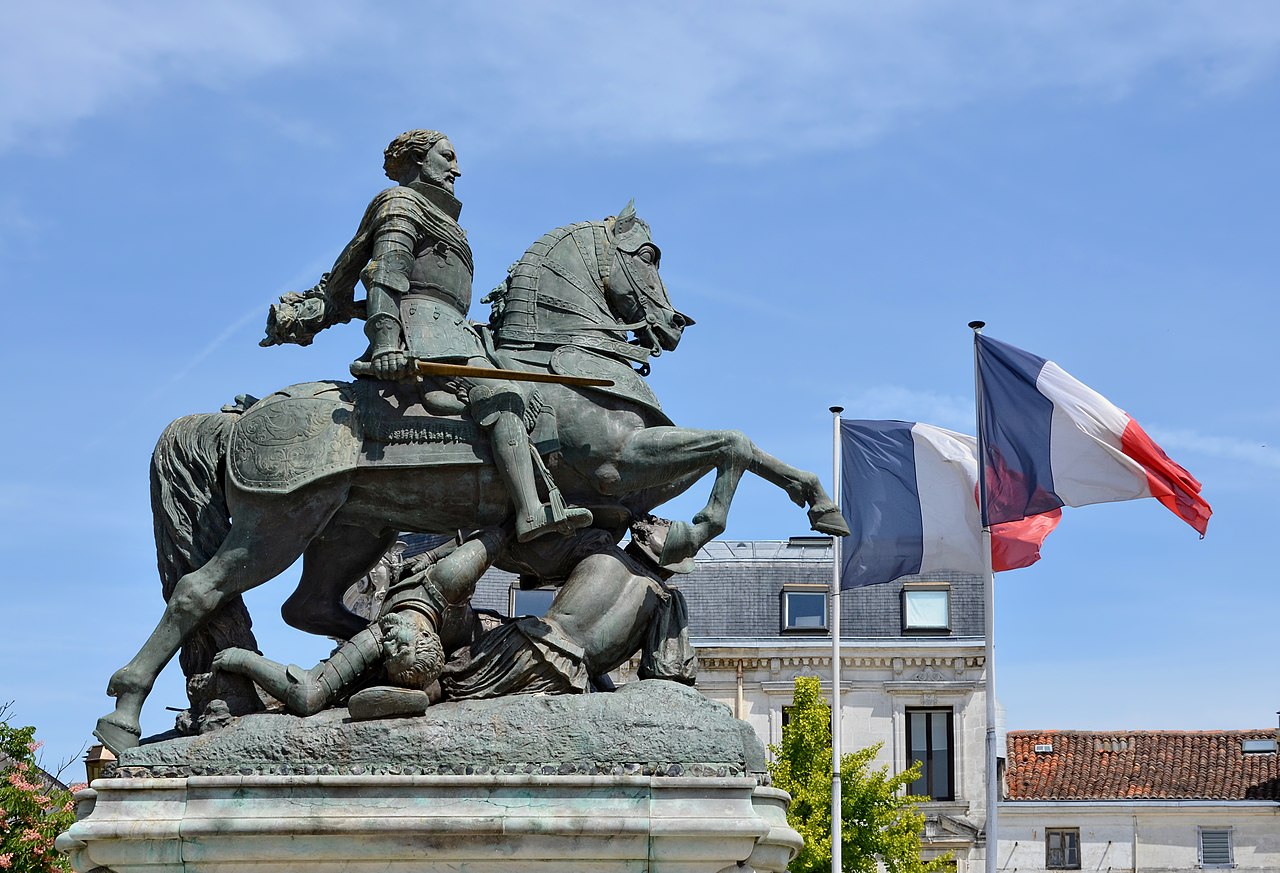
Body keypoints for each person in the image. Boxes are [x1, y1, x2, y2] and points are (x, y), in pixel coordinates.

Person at [263, 129, 592, 543]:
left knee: (535, 394)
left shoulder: (447, 222)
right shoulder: (402, 204)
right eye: (447, 157)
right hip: (426, 336)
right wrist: (385, 343)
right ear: (419, 161)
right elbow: (385, 275)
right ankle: (530, 514)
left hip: (457, 335)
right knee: (503, 398)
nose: (456, 168)